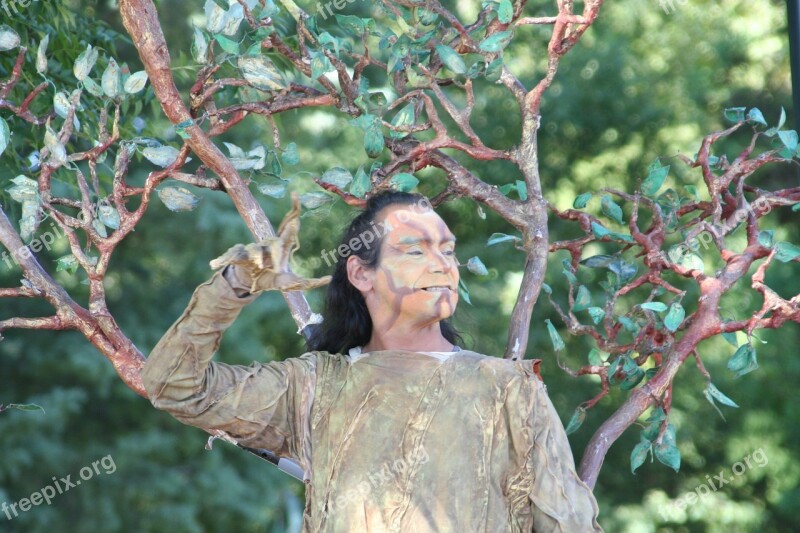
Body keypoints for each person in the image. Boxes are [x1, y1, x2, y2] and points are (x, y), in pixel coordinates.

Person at [141, 191, 603, 532]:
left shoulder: (509, 388)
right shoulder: (314, 386)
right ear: (361, 273)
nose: (443, 264)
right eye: (415, 250)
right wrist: (235, 284)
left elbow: (568, 524)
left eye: (448, 249)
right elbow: (175, 386)